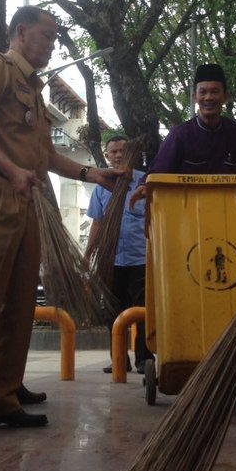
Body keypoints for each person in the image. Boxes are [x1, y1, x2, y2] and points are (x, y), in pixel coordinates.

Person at [0, 6, 121, 444]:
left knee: (18, 302)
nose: (53, 44)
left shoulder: (34, 91)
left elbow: (44, 156)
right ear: (21, 33)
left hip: (25, 195)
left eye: (55, 37)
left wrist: (91, 174)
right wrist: (12, 170)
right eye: (48, 35)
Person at [131, 63, 236, 206]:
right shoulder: (179, 135)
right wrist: (144, 186)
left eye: (215, 91)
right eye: (203, 92)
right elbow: (158, 172)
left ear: (225, 97)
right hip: (189, 215)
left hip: (232, 213)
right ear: (195, 97)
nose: (208, 97)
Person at [85, 136, 154, 375]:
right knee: (111, 311)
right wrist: (87, 256)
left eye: (121, 151)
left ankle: (144, 359)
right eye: (112, 151)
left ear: (131, 154)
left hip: (141, 259)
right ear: (106, 156)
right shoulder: (101, 187)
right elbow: (97, 224)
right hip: (111, 260)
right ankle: (119, 359)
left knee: (143, 310)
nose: (117, 155)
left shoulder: (145, 183)